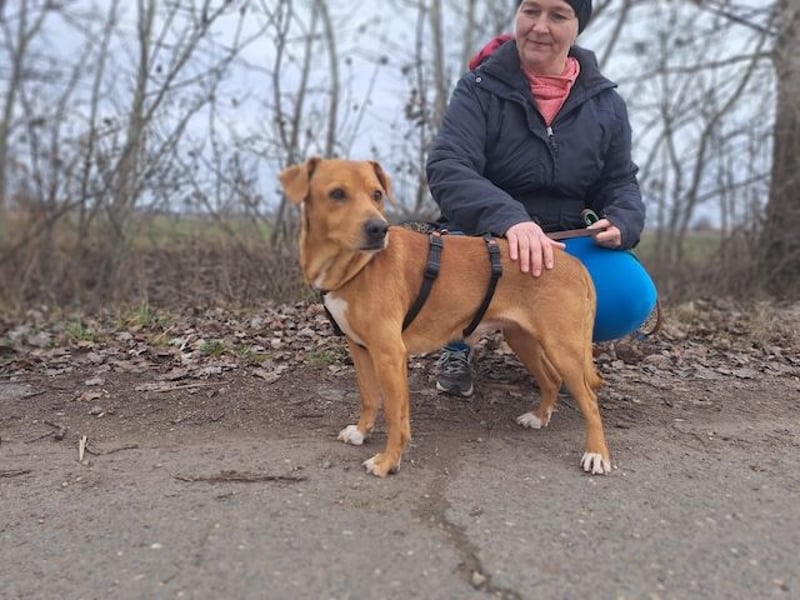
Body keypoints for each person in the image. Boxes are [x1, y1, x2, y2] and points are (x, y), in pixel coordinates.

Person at [426, 0, 656, 397]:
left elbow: (620, 181)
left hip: (565, 241)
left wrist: (623, 218)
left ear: (577, 26)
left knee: (629, 296)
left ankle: (560, 348)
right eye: (530, 11)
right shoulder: (478, 90)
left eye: (558, 15)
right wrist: (511, 220)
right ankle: (456, 344)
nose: (540, 27)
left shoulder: (606, 104)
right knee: (453, 267)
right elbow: (449, 167)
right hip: (486, 237)